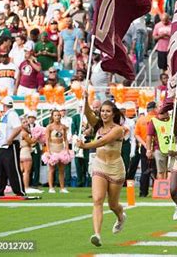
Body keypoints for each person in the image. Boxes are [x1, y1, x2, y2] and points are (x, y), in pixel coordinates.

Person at [76, 100, 127, 247]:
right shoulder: (98, 125)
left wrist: (85, 145)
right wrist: (85, 100)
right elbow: (87, 113)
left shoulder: (118, 129)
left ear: (114, 113)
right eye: (102, 111)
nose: (104, 114)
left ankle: (121, 217)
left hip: (115, 168)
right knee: (98, 199)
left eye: (108, 111)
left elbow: (103, 141)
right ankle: (97, 234)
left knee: (112, 205)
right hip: (99, 165)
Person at [0, 96, 25, 196]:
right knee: (0, 167)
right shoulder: (5, 115)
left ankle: (20, 191)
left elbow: (18, 127)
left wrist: (10, 139)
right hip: (2, 146)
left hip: (11, 145)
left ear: (4, 105)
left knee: (12, 168)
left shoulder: (12, 114)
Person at [133, 101, 157, 197]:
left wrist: (144, 144)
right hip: (155, 146)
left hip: (144, 147)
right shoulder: (157, 119)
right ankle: (157, 191)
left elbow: (136, 134)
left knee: (144, 170)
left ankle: (143, 192)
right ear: (154, 109)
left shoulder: (141, 119)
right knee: (155, 170)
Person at [146, 110, 175, 180]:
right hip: (159, 149)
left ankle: (169, 189)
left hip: (173, 149)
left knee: (172, 171)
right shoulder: (154, 121)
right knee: (161, 172)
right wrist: (148, 150)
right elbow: (149, 136)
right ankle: (162, 189)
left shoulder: (173, 119)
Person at [45, 110, 69, 193]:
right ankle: (51, 188)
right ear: (52, 116)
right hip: (52, 148)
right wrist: (48, 151)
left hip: (61, 149)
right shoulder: (49, 127)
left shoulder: (63, 127)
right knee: (51, 169)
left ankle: (62, 188)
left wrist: (67, 149)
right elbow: (47, 140)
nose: (57, 117)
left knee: (62, 170)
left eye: (58, 115)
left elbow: (65, 139)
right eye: (55, 115)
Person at [19, 117, 37, 192]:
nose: (26, 123)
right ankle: (26, 187)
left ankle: (21, 187)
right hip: (25, 152)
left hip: (20, 152)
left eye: (26, 122)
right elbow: (31, 142)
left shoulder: (19, 132)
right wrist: (36, 137)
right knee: (27, 171)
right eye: (24, 122)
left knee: (21, 171)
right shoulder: (24, 133)